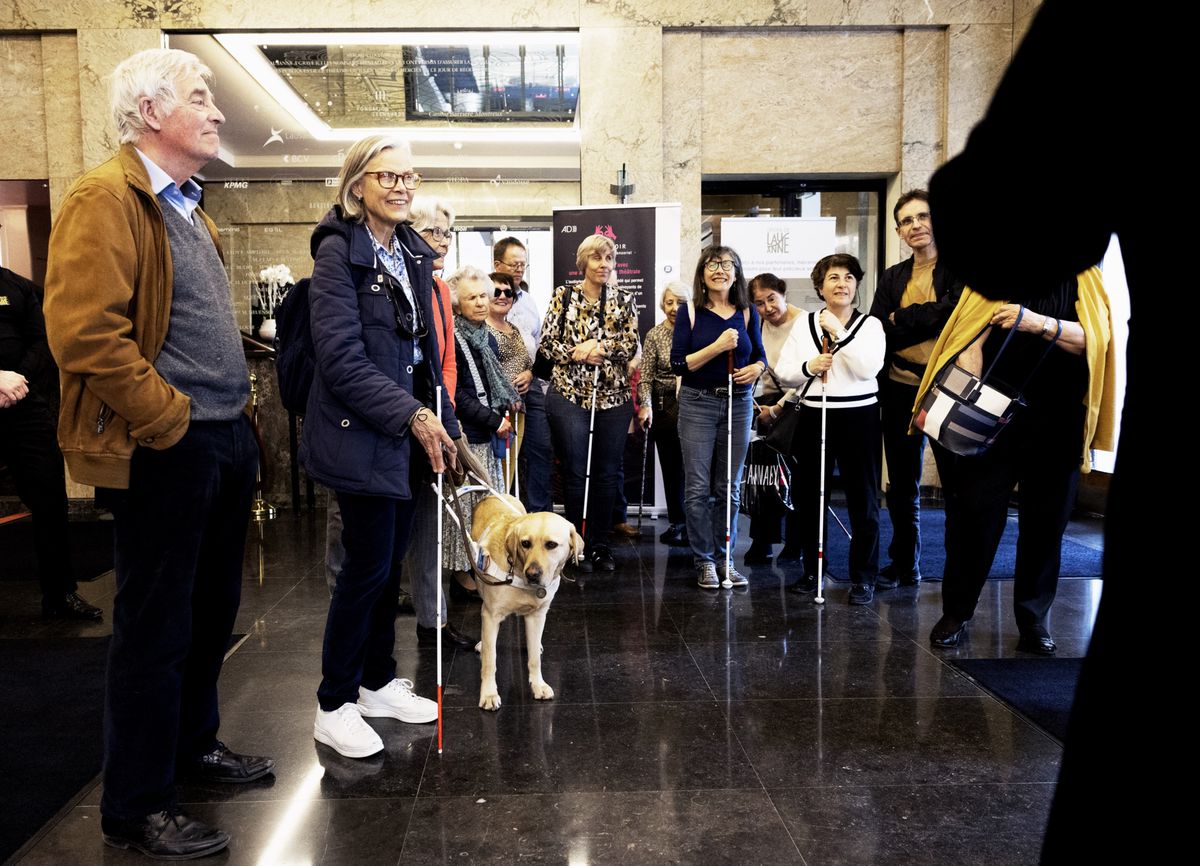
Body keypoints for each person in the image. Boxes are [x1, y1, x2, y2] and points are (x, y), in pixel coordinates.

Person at [43, 48, 272, 860]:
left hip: (218, 439)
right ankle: (136, 803)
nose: (216, 112)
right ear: (149, 113)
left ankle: (192, 748)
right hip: (166, 446)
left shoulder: (189, 206)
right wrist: (169, 418)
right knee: (153, 627)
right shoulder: (104, 197)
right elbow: (83, 334)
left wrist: (232, 412)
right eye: (201, 98)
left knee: (209, 616)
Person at [301, 134, 459, 760]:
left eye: (408, 176)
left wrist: (434, 415)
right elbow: (341, 360)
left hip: (406, 435)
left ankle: (374, 682)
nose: (400, 186)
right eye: (386, 175)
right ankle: (333, 702)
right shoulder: (339, 254)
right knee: (362, 572)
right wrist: (416, 414)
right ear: (356, 184)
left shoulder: (412, 253)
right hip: (361, 434)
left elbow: (421, 350)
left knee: (385, 567)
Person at [920, 270, 1114, 654]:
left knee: (1047, 522)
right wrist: (968, 352)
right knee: (974, 515)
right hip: (991, 414)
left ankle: (1033, 620)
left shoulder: (1085, 277)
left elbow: (1096, 341)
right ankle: (957, 612)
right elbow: (967, 329)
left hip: (1059, 418)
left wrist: (1039, 324)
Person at [868, 189, 965, 590]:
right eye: (907, 221)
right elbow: (878, 326)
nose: (916, 226)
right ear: (898, 231)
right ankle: (905, 564)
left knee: (956, 488)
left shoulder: (961, 269)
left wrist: (904, 316)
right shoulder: (892, 276)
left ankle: (960, 572)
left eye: (922, 216)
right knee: (903, 484)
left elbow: (955, 313)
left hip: (947, 388)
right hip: (898, 386)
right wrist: (919, 318)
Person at [775, 254, 885, 604]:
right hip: (814, 414)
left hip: (860, 417)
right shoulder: (804, 324)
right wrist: (810, 365)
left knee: (863, 499)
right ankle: (812, 571)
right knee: (811, 498)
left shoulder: (871, 326)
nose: (842, 283)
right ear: (820, 287)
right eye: (833, 277)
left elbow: (867, 369)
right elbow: (784, 372)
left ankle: (864, 578)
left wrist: (838, 333)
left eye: (849, 277)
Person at [1, 265, 100, 620]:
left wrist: (17, 382)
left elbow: (44, 341)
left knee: (49, 498)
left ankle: (60, 595)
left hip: (23, 405)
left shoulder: (20, 287)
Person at [540, 234, 638, 572]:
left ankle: (599, 544)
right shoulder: (563, 297)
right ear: (584, 262)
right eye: (597, 258)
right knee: (575, 471)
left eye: (609, 258)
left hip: (613, 398)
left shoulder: (624, 300)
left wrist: (599, 348)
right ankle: (572, 544)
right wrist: (576, 353)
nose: (604, 264)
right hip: (569, 396)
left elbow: (629, 345)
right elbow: (548, 345)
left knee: (606, 474)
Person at [671, 246, 766, 589]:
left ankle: (726, 557)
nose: (719, 270)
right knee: (697, 488)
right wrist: (717, 347)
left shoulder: (747, 313)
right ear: (702, 274)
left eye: (727, 265)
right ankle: (704, 561)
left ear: (737, 274)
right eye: (712, 264)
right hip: (698, 402)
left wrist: (755, 368)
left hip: (739, 404)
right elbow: (678, 364)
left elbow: (760, 356)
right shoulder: (690, 312)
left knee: (730, 487)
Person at [444, 266, 519, 573]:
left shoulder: (486, 338)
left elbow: (491, 384)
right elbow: (459, 395)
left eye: (483, 296)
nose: (480, 302)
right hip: (468, 437)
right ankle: (465, 575)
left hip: (487, 433)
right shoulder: (454, 336)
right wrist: (493, 420)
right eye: (471, 297)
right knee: (469, 510)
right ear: (457, 304)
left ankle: (483, 566)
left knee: (488, 508)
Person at [744, 272, 806, 565]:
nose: (767, 308)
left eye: (772, 299)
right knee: (764, 475)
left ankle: (796, 543)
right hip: (765, 405)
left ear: (783, 293)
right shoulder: (758, 324)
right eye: (759, 303)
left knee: (796, 477)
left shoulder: (805, 323)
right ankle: (763, 540)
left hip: (798, 405)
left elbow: (806, 375)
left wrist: (778, 408)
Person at [494, 237, 553, 513]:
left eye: (523, 264)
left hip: (532, 386)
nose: (519, 269)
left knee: (540, 450)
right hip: (497, 392)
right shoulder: (487, 296)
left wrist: (532, 372)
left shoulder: (528, 301)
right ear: (497, 264)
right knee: (504, 457)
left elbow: (540, 343)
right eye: (514, 264)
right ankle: (508, 513)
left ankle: (539, 515)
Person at [637, 283, 689, 546]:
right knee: (671, 469)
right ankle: (677, 521)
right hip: (664, 406)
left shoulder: (696, 331)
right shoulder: (655, 335)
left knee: (694, 469)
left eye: (680, 302)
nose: (674, 309)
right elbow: (645, 377)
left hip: (693, 404)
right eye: (669, 302)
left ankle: (695, 525)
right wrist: (645, 404)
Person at [486, 270, 532, 493]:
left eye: (508, 292)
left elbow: (526, 362)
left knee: (509, 471)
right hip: (494, 413)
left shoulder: (514, 329)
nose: (502, 296)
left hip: (518, 410)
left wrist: (529, 374)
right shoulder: (480, 329)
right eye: (496, 291)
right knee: (494, 471)